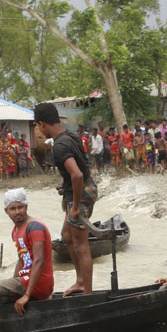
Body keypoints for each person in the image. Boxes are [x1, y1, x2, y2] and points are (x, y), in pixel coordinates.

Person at [34, 102, 98, 296]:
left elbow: (77, 175)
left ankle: (87, 293)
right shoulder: (70, 136)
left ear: (42, 124)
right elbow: (75, 171)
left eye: (38, 126)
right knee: (67, 235)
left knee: (81, 245)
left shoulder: (59, 146)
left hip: (82, 192)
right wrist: (67, 193)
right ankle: (80, 281)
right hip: (78, 190)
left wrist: (76, 206)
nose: (39, 130)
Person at [0, 188, 54, 315]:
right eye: (13, 209)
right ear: (6, 211)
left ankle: (29, 299)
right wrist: (14, 280)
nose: (17, 212)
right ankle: (19, 301)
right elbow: (22, 259)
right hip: (25, 280)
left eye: (21, 207)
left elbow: (39, 260)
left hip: (38, 283)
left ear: (26, 207)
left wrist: (26, 295)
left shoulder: (34, 227)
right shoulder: (15, 230)